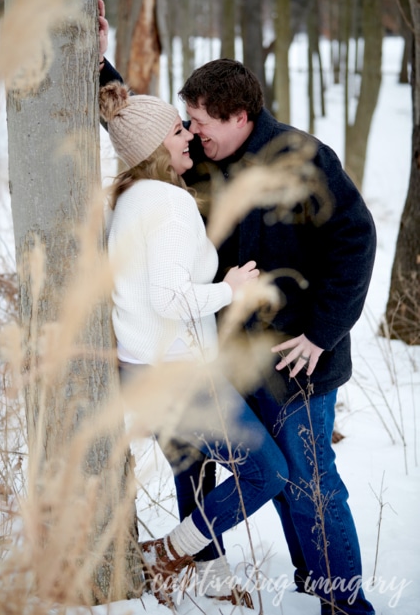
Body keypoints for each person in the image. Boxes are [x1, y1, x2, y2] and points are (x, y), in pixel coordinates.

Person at [97, 2, 377, 614]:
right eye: (187, 122)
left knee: (307, 486)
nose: (191, 132)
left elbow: (355, 244)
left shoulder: (304, 160)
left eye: (199, 121)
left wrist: (322, 334)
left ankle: (343, 604)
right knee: (199, 466)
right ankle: (224, 574)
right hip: (221, 358)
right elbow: (141, 130)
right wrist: (99, 62)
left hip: (294, 362)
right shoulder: (196, 165)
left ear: (240, 116)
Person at [99, 80, 289, 608]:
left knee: (196, 471)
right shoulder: (168, 205)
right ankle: (167, 554)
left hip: (143, 372)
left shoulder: (132, 198)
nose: (189, 137)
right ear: (157, 147)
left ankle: (212, 578)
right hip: (179, 375)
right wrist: (229, 288)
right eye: (178, 130)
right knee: (266, 470)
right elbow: (167, 297)